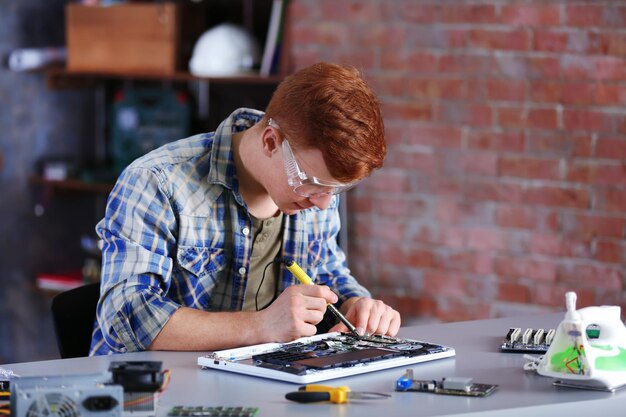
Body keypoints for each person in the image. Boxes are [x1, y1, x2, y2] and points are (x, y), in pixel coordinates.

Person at [90, 62, 401, 355]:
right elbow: (124, 318)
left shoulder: (316, 193)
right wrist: (263, 326)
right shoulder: (156, 182)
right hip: (151, 397)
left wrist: (355, 305)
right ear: (270, 141)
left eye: (335, 190)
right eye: (313, 184)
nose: (322, 203)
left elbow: (326, 273)